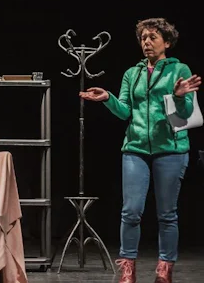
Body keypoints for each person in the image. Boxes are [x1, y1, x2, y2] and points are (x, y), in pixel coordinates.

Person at [80, 18, 201, 283]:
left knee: (167, 213)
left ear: (166, 42)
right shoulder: (131, 73)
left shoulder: (178, 69)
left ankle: (164, 269)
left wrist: (180, 95)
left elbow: (186, 114)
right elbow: (125, 111)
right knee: (131, 211)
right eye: (143, 38)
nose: (146, 42)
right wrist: (108, 99)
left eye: (153, 37)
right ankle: (127, 269)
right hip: (135, 148)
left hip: (170, 149)